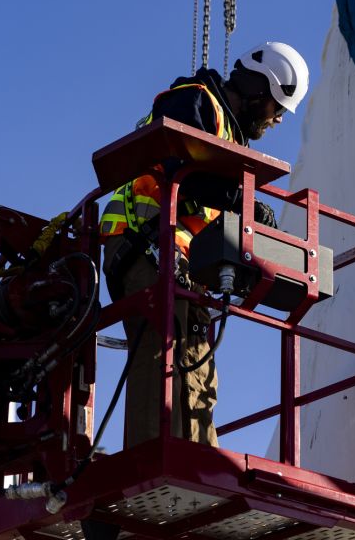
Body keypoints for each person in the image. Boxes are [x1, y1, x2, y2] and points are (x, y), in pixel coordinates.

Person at [99, 41, 309, 448]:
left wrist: (246, 217)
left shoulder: (232, 137)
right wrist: (240, 200)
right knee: (162, 351)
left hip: (181, 259)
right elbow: (179, 158)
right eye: (277, 107)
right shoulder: (193, 100)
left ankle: (197, 456)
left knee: (197, 363)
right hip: (143, 243)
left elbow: (207, 194)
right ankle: (153, 458)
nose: (278, 120)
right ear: (258, 89)